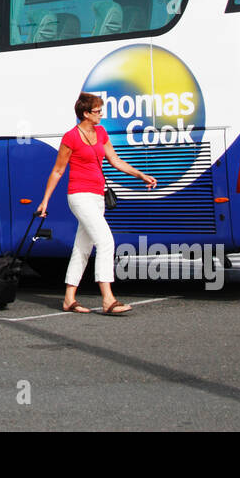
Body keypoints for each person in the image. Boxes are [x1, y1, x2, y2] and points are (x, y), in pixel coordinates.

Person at [36, 92, 156, 315]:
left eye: (101, 110)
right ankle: (108, 299)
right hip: (79, 197)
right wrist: (45, 201)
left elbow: (115, 159)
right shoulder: (71, 137)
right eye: (97, 111)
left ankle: (69, 299)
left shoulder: (100, 132)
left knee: (82, 247)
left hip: (98, 196)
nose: (101, 114)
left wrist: (140, 174)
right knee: (106, 241)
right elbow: (58, 170)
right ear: (85, 113)